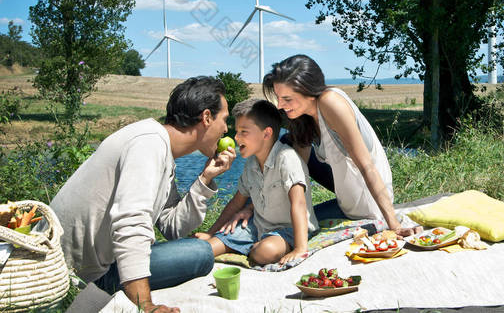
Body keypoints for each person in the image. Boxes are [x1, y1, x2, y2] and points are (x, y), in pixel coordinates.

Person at [47, 76, 236, 313]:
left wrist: (205, 179)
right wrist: (146, 305)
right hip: (78, 274)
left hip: (98, 263)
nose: (226, 129)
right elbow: (131, 222)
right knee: (199, 253)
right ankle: (110, 289)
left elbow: (173, 228)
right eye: (225, 120)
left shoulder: (161, 150)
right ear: (207, 117)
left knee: (199, 253)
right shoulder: (149, 143)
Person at [261, 54, 422, 237]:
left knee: (284, 143)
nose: (281, 105)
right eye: (279, 98)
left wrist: (394, 224)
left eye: (287, 99)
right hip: (346, 200)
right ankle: (260, 206)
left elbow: (367, 165)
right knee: (285, 142)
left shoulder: (330, 102)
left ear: (308, 90)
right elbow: (297, 169)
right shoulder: (305, 117)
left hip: (366, 206)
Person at [195, 98, 318, 266]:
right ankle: (247, 245)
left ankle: (256, 247)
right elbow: (236, 203)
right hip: (257, 227)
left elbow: (299, 203)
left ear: (266, 134)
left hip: (290, 230)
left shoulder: (286, 159)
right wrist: (211, 233)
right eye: (236, 131)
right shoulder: (251, 164)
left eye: (243, 132)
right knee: (208, 248)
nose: (236, 138)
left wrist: (300, 248)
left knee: (263, 253)